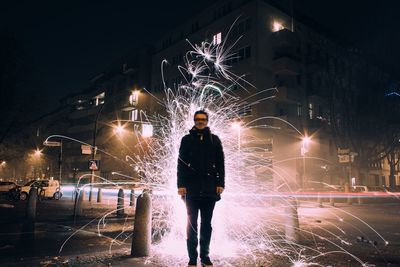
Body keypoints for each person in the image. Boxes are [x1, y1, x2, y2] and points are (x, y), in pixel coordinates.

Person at [177, 110, 225, 267]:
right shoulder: (186, 140)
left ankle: (205, 256)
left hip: (210, 190)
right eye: (198, 119)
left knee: (206, 225)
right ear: (194, 121)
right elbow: (181, 164)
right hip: (191, 189)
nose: (200, 122)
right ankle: (192, 258)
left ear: (207, 121)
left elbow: (220, 164)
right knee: (191, 225)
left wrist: (221, 183)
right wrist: (181, 185)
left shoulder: (215, 140)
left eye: (203, 119)